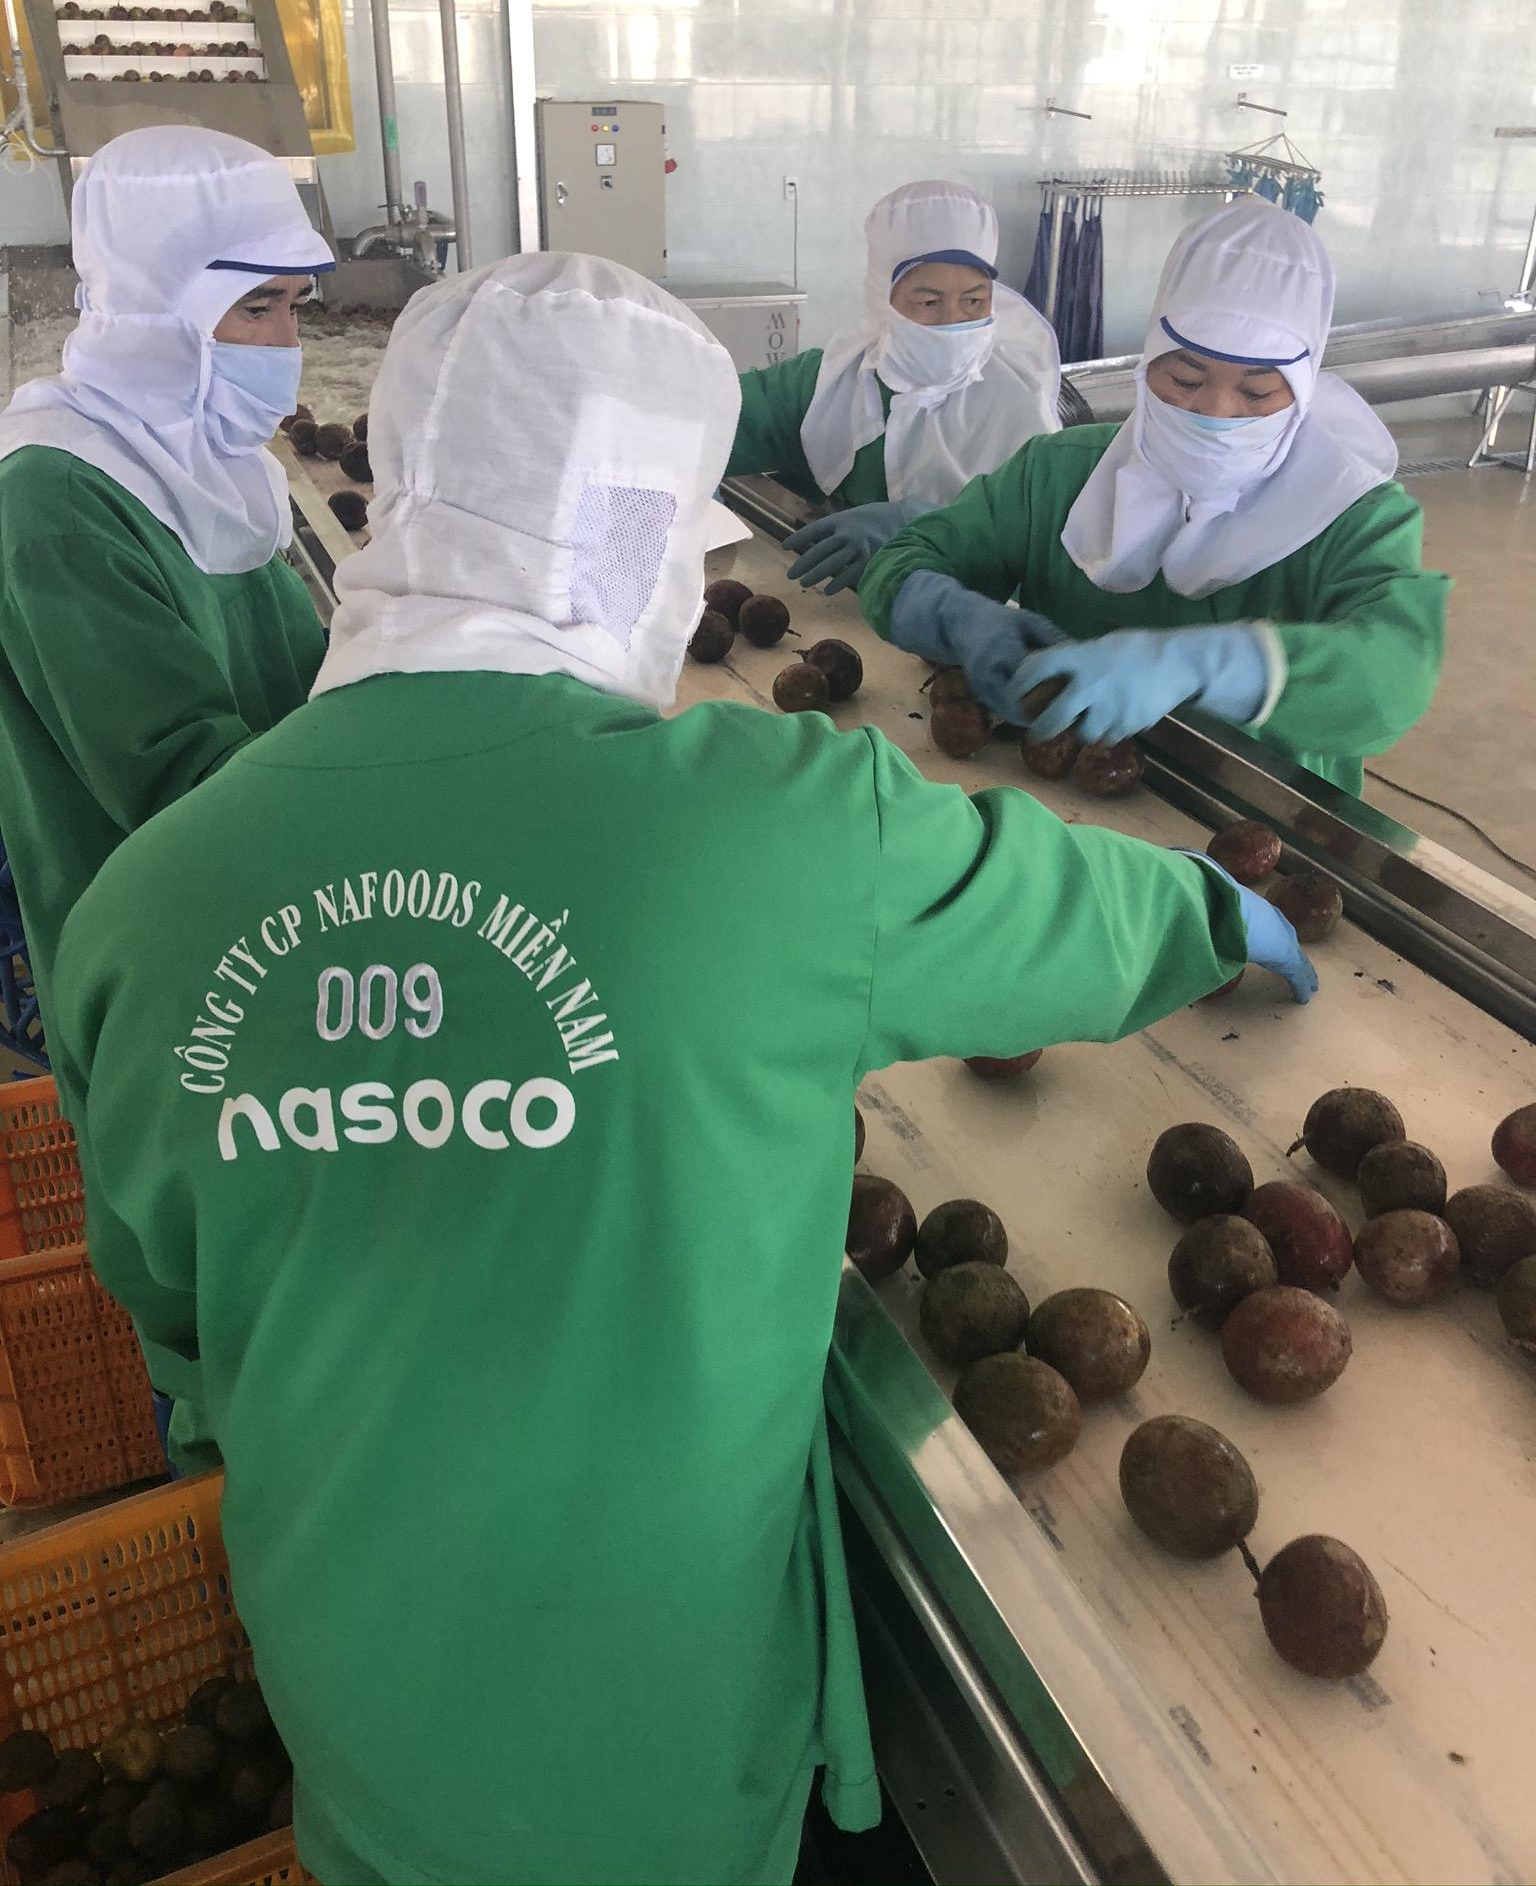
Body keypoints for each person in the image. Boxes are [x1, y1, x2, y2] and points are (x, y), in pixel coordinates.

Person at [49, 253, 1312, 1886]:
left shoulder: (149, 897)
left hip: (347, 1660)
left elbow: (170, 1307)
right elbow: (1058, 908)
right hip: (657, 1707)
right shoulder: (763, 825)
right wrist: (1221, 911)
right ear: (645, 528)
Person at [859, 197, 1450, 794]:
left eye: (1257, 393)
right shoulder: (1061, 474)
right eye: (1186, 379)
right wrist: (957, 615)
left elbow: (1393, 673)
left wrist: (1206, 665)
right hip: (1055, 805)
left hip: (1254, 811)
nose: (1215, 413)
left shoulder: (1353, 515)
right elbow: (908, 560)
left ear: (1302, 388)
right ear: (1147, 364)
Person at [0, 123, 334, 1028]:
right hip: (173, 971)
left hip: (293, 911)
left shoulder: (216, 455)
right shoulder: (58, 502)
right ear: (157, 308)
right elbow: (184, 784)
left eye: (298, 308)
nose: (285, 344)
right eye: (258, 309)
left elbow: (292, 675)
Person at [726, 179, 1061, 595]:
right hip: (852, 615)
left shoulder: (1019, 405)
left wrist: (939, 529)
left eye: (974, 301)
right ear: (881, 297)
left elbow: (1046, 545)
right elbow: (711, 415)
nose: (953, 321)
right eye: (928, 302)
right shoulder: (832, 386)